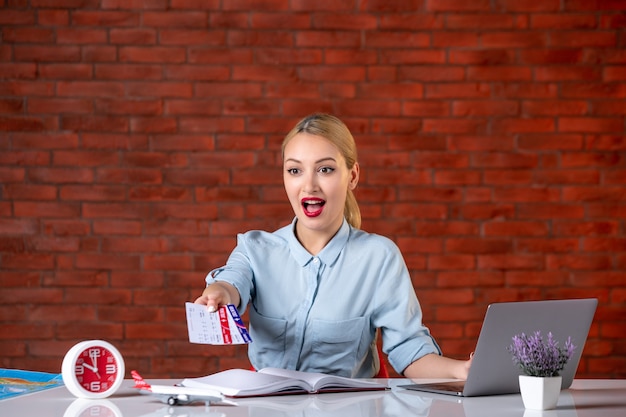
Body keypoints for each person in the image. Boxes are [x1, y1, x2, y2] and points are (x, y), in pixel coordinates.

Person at [194, 113, 472, 379]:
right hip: (269, 406)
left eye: (325, 169)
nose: (309, 185)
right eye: (295, 170)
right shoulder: (255, 248)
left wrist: (461, 371)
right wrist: (219, 293)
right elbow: (232, 282)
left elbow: (409, 351)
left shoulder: (379, 257)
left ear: (352, 176)